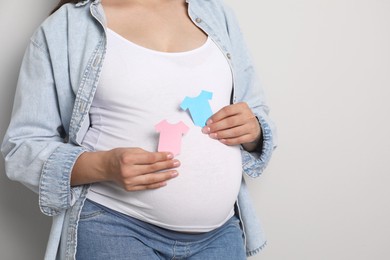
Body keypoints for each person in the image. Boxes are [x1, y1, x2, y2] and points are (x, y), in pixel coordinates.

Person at [1, 0, 276, 259]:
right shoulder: (68, 28)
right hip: (114, 228)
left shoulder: (215, 13)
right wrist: (104, 166)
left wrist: (254, 132)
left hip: (221, 235)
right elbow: (23, 146)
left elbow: (256, 110)